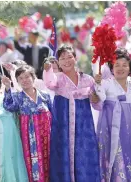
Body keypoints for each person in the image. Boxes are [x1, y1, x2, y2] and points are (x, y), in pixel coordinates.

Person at [43, 45, 101, 182]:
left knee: (85, 154)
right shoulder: (57, 79)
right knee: (63, 154)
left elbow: (97, 104)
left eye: (69, 56)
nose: (66, 60)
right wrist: (47, 69)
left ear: (75, 58)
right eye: (62, 58)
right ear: (58, 62)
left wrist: (95, 98)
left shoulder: (88, 79)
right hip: (63, 127)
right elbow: (49, 83)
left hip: (84, 127)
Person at [2, 65, 53, 182]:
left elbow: (53, 114)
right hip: (30, 138)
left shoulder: (45, 95)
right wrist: (7, 88)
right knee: (33, 162)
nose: (24, 80)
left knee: (50, 161)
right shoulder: (18, 97)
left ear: (33, 77)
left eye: (27, 77)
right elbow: (8, 106)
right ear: (17, 81)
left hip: (47, 136)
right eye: (20, 78)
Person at [94, 48, 131, 181]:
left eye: (124, 65)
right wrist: (97, 83)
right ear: (111, 68)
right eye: (117, 65)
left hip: (129, 126)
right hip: (110, 126)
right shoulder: (107, 83)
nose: (121, 68)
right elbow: (102, 97)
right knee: (113, 155)